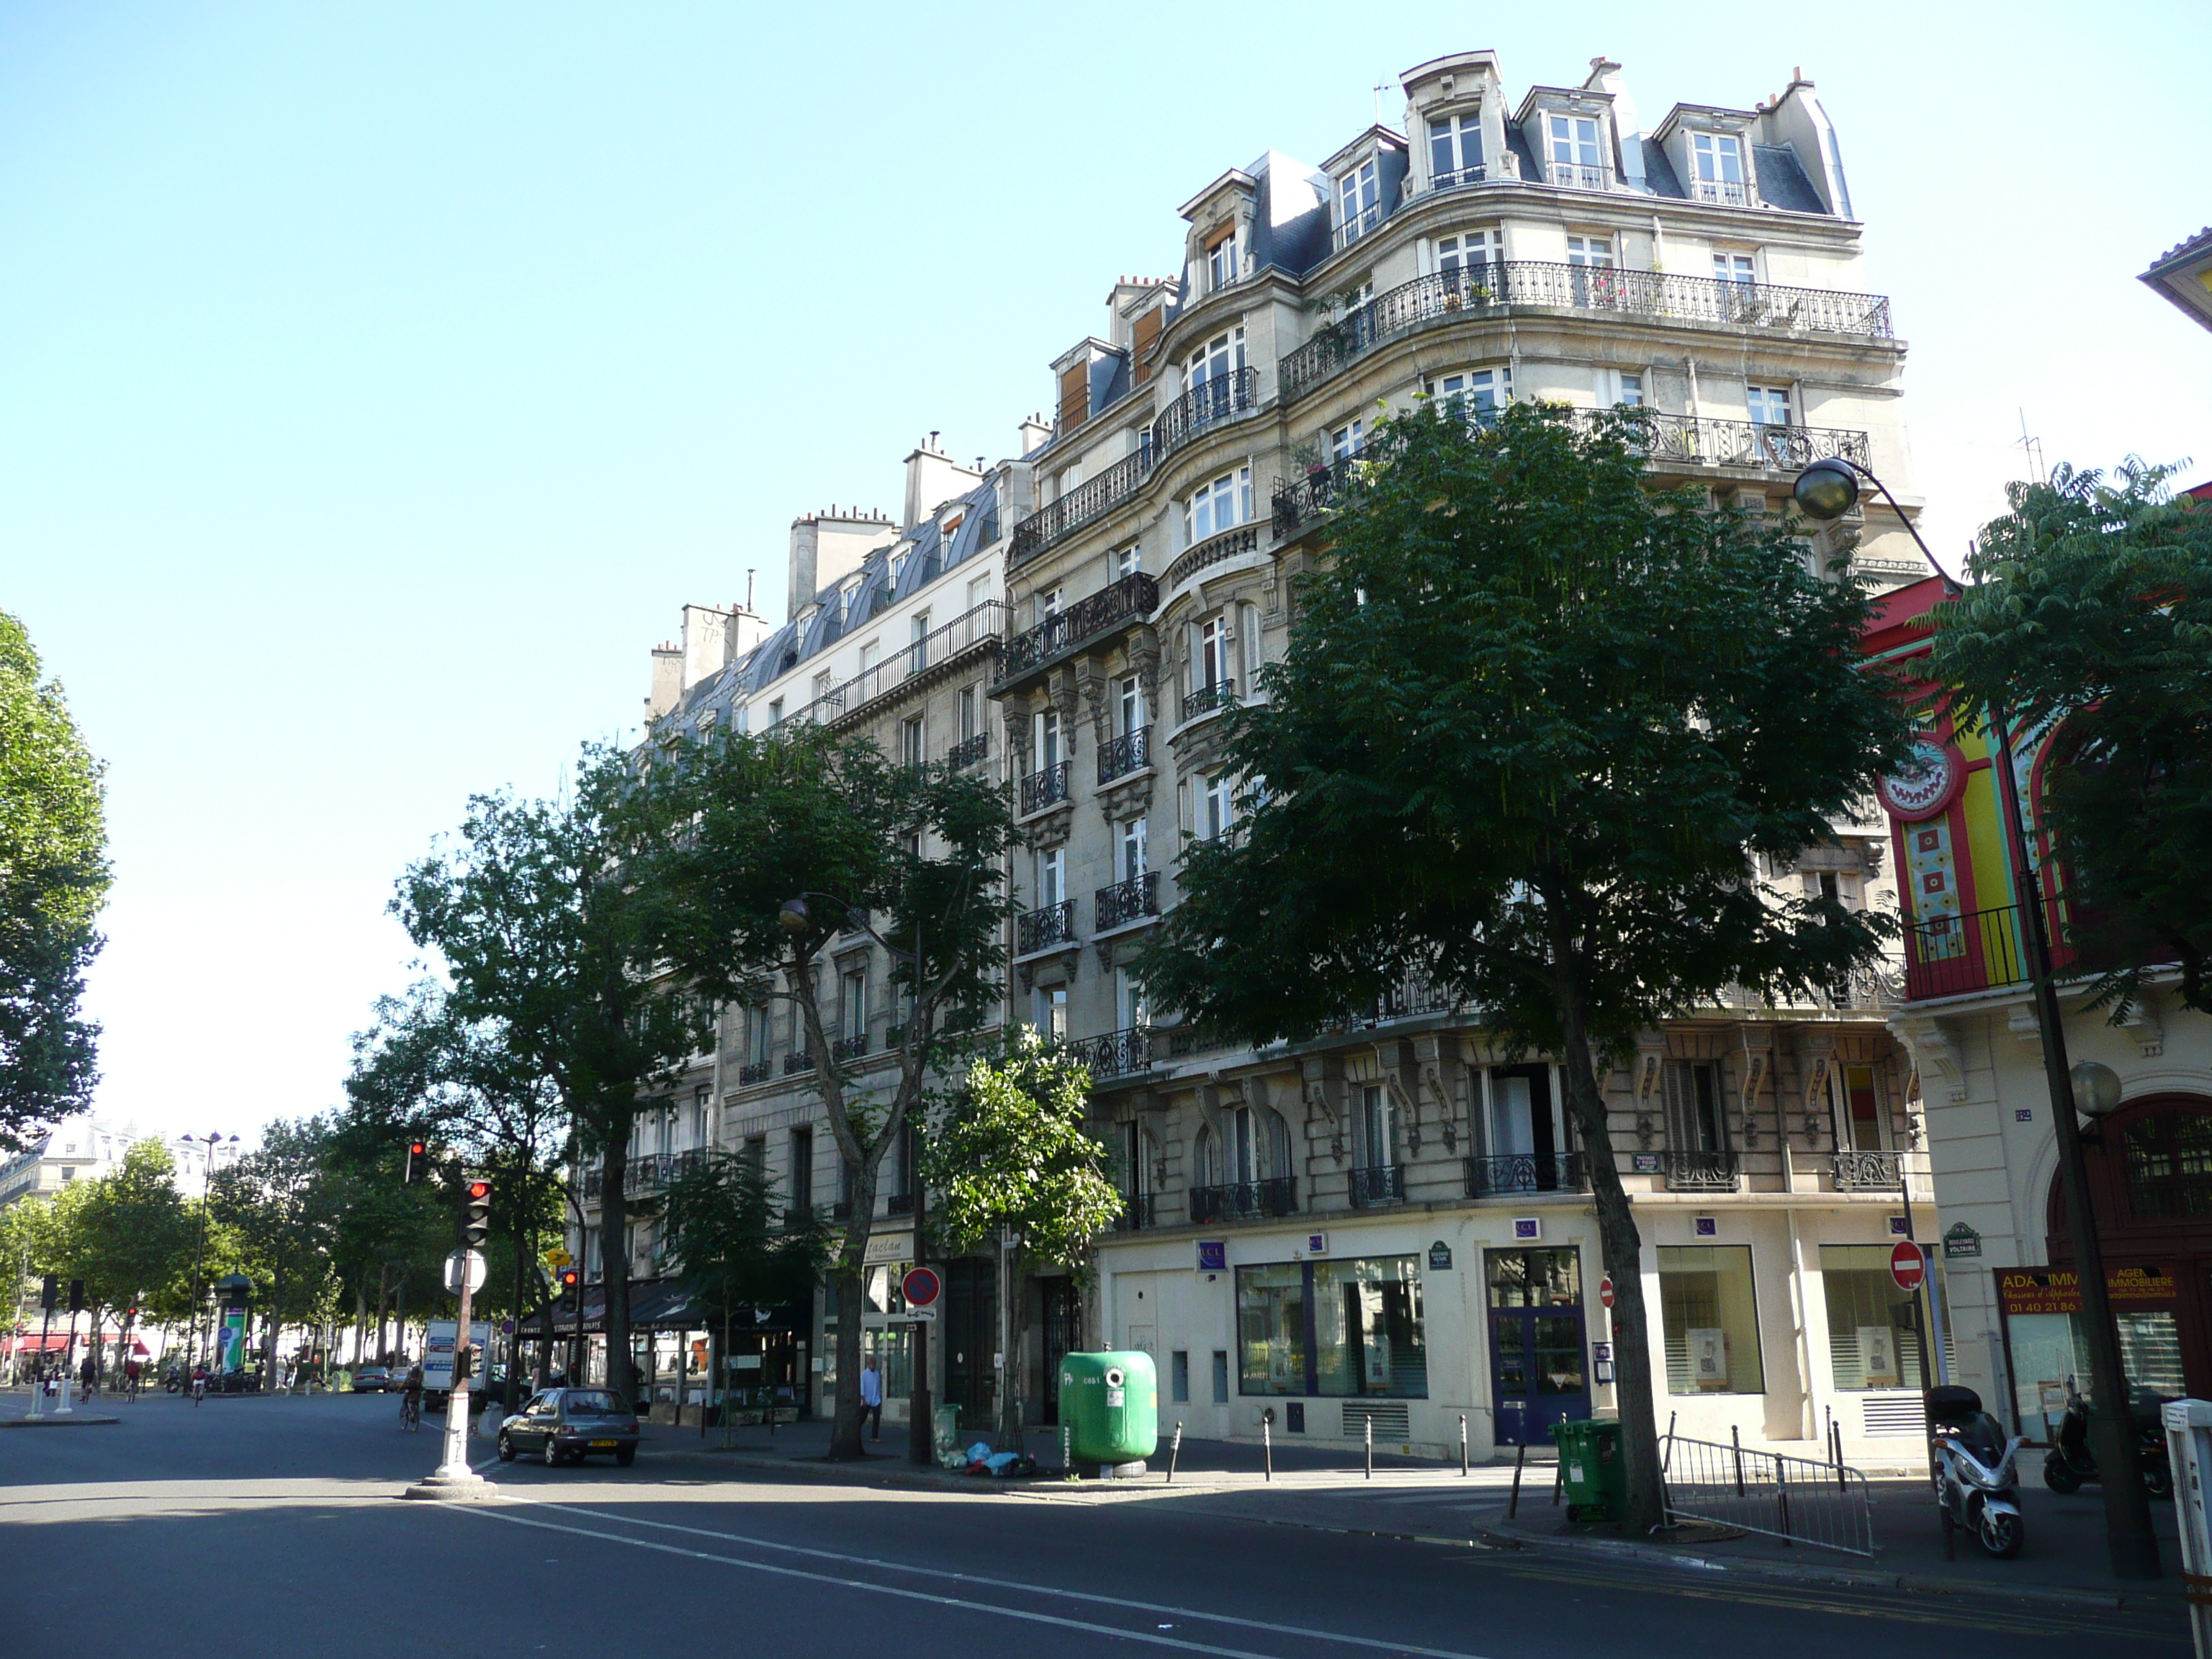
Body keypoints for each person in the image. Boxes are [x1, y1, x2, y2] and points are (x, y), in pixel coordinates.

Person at [859, 1356, 883, 1441]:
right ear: (868, 1364)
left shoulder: (877, 1374)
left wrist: (879, 1398)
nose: (873, 1365)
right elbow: (862, 1388)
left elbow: (878, 1387)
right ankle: (856, 1432)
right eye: (871, 1363)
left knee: (877, 1417)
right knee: (862, 1418)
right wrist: (863, 1399)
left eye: (874, 1363)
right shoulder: (864, 1375)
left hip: (875, 1399)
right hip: (867, 1399)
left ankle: (874, 1436)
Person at [401, 1362, 424, 1430]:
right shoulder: (421, 1374)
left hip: (410, 1389)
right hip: (417, 1390)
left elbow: (406, 1381)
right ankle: (415, 1414)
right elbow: (422, 1382)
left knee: (405, 1401)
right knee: (416, 1402)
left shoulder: (410, 1374)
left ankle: (407, 1411)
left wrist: (400, 1389)